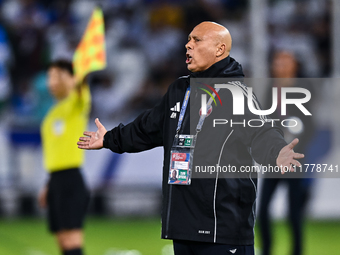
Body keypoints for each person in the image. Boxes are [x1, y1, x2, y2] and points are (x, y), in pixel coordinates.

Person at [78, 22, 304, 255]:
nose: (188, 45)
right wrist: (109, 139)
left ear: (219, 49)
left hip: (222, 229)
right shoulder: (179, 90)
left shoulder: (238, 95)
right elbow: (146, 129)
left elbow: (263, 132)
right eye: (188, 40)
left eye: (197, 40)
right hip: (182, 227)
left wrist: (277, 152)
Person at [258, 50, 315, 255]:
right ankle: (266, 249)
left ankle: (297, 251)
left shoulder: (304, 88)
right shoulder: (271, 89)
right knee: (262, 210)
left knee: (294, 212)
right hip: (274, 160)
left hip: (295, 159)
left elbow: (309, 125)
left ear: (294, 65)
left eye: (284, 61)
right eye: (277, 61)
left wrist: (294, 150)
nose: (279, 65)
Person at [39, 60, 90, 255]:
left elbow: (81, 87)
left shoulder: (77, 103)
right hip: (56, 179)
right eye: (49, 77)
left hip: (71, 179)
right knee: (61, 240)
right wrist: (49, 183)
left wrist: (78, 76)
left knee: (71, 240)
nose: (51, 82)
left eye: (56, 76)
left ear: (71, 78)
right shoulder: (54, 112)